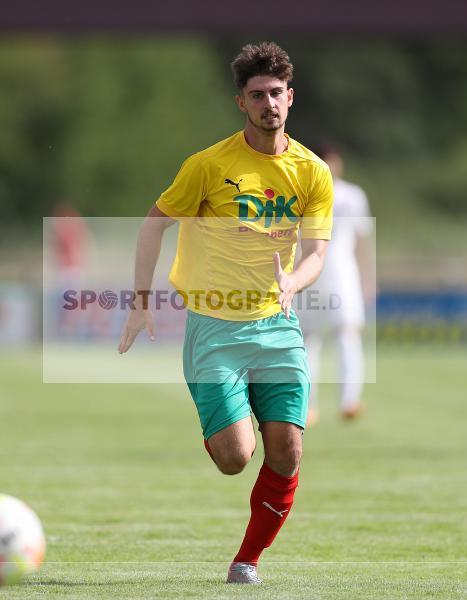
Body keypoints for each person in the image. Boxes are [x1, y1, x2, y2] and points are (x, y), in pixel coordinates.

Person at [117, 41, 333, 583]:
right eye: (257, 95)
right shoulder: (209, 166)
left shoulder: (312, 173)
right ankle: (224, 426)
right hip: (214, 326)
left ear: (291, 96)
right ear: (241, 102)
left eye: (277, 93)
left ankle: (246, 562)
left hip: (277, 325)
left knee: (287, 448)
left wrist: (294, 285)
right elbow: (152, 223)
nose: (269, 103)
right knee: (237, 456)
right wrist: (140, 302)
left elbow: (316, 256)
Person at [300, 145, 374, 425]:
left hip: (343, 274)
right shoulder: (301, 192)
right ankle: (308, 405)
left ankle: (349, 400)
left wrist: (367, 277)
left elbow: (361, 241)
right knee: (308, 340)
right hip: (309, 271)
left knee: (348, 334)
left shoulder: (352, 196)